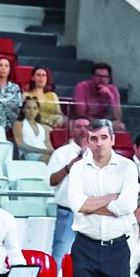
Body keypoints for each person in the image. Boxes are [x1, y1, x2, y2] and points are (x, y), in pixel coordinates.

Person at [68, 119, 139, 277]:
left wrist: (88, 206)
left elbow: (127, 206)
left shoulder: (128, 167)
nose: (99, 143)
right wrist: (110, 199)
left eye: (104, 137)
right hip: (84, 248)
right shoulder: (78, 168)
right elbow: (76, 204)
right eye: (93, 138)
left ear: (112, 139)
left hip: (117, 250)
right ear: (88, 142)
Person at [47, 115, 90, 268]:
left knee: (88, 256)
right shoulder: (61, 153)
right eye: (78, 126)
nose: (83, 130)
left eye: (86, 127)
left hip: (90, 213)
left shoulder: (97, 154)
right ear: (71, 129)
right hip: (67, 212)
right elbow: (51, 181)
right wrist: (68, 167)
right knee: (60, 253)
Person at [73, 63, 124, 130]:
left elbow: (118, 118)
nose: (101, 79)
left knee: (120, 126)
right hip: (87, 122)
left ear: (109, 79)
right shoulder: (82, 87)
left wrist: (111, 97)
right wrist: (98, 124)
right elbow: (81, 114)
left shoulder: (113, 89)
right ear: (93, 77)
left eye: (105, 77)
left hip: (105, 123)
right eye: (98, 76)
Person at [13, 98, 53, 162]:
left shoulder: (44, 128)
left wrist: (54, 153)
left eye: (35, 108)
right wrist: (42, 151)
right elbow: (20, 145)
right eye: (28, 108)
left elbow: (49, 146)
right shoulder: (19, 124)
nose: (32, 111)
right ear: (23, 110)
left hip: (45, 154)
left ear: (38, 110)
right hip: (28, 154)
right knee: (48, 159)